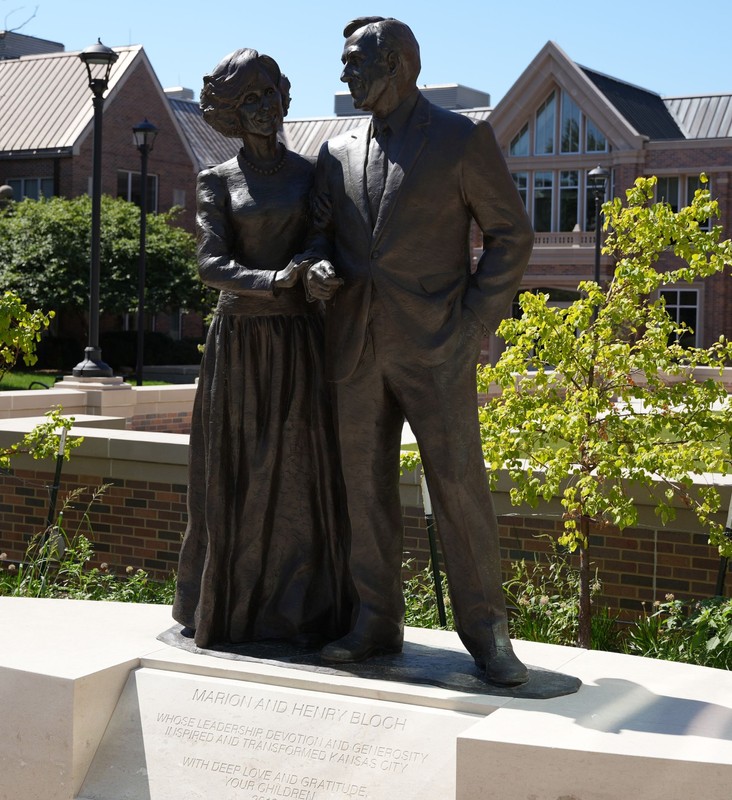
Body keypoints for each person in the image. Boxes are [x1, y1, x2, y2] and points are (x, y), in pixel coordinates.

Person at [306, 17, 534, 685]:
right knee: (363, 490)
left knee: (460, 489)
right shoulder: (336, 150)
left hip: (438, 344)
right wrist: (316, 266)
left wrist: (472, 325)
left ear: (401, 63)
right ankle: (376, 620)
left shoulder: (463, 139)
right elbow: (321, 234)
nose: (345, 75)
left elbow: (509, 237)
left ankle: (488, 634)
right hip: (355, 345)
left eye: (356, 62)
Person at [172, 48, 350, 649]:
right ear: (228, 112)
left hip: (299, 341)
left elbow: (321, 241)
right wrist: (275, 280)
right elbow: (210, 263)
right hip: (242, 343)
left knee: (299, 474)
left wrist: (317, 268)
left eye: (270, 92)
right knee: (237, 470)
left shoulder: (311, 174)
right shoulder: (217, 180)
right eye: (249, 99)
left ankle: (297, 610)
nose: (265, 107)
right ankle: (226, 607)